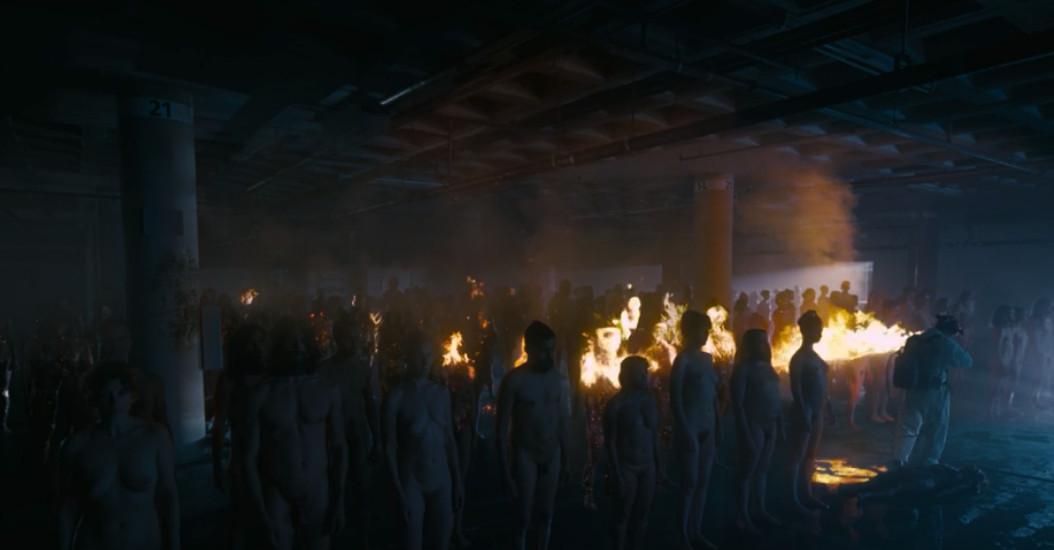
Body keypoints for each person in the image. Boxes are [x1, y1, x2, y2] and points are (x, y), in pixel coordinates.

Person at [240, 317, 347, 550]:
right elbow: (248, 458)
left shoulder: (327, 390)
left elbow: (339, 447)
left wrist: (339, 501)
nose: (298, 347)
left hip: (317, 487)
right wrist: (260, 514)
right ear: (280, 346)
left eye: (302, 341)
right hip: (277, 489)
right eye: (291, 341)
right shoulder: (261, 395)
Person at [57, 363, 180, 550]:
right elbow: (67, 508)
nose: (114, 401)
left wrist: (175, 544)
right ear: (95, 399)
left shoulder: (154, 436)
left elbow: (169, 495)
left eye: (121, 393)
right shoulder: (78, 445)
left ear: (132, 396)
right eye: (106, 395)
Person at [382, 330, 462, 550]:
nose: (425, 362)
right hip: (413, 481)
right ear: (409, 357)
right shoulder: (397, 397)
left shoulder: (442, 394)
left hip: (442, 479)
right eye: (420, 356)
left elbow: (449, 440)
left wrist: (457, 481)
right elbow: (389, 447)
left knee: (441, 543)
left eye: (428, 355)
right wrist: (398, 491)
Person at [495, 321, 568, 550]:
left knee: (546, 514)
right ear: (528, 349)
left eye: (551, 350)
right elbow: (501, 429)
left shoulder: (557, 379)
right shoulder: (515, 381)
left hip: (552, 454)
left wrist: (565, 458)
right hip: (525, 455)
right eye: (544, 350)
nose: (549, 356)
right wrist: (505, 472)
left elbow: (562, 421)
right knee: (523, 517)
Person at [320, 317, 379, 550]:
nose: (353, 342)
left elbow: (370, 404)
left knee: (362, 487)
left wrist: (377, 439)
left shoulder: (362, 368)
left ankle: (363, 539)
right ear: (337, 338)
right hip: (333, 437)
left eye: (355, 337)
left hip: (357, 435)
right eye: (348, 337)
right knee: (333, 487)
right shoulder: (324, 369)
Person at [211, 322, 268, 550]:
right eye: (251, 343)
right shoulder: (230, 381)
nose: (256, 347)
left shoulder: (270, 377)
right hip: (241, 458)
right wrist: (217, 464)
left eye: (260, 342)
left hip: (269, 455)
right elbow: (219, 424)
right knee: (240, 520)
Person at [669, 310, 720, 550]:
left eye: (708, 330)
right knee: (689, 484)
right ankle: (682, 535)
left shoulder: (708, 359)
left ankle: (695, 531)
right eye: (703, 329)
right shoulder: (683, 360)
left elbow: (712, 397)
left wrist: (718, 425)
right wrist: (684, 428)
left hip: (708, 427)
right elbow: (676, 397)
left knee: (703, 483)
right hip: (690, 427)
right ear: (689, 331)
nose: (706, 334)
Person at [892, 315, 972, 467]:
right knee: (936, 427)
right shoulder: (946, 343)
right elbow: (967, 361)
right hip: (936, 392)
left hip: (913, 389)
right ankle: (931, 461)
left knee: (908, 425)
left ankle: (900, 458)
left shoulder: (914, 340)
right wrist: (961, 345)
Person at [604, 356, 662, 550]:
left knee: (642, 516)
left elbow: (654, 435)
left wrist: (659, 466)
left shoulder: (650, 400)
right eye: (640, 374)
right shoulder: (616, 405)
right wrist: (617, 474)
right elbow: (610, 443)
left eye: (645, 373)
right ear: (628, 375)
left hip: (648, 466)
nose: (645, 377)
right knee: (622, 516)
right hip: (626, 467)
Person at [731, 329, 782, 535]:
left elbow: (776, 395)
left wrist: (780, 423)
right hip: (754, 424)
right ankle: (742, 517)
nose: (764, 345)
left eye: (765, 341)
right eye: (759, 342)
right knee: (747, 472)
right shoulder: (743, 370)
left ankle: (759, 510)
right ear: (750, 345)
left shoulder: (768, 367)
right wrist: (745, 432)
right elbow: (738, 404)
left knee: (762, 471)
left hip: (771, 423)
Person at [787, 311, 830, 516]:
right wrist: (804, 412)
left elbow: (822, 384)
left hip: (817, 411)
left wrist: (827, 405)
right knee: (797, 456)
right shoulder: (799, 358)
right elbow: (796, 388)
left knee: (811, 455)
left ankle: (807, 493)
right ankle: (792, 498)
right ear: (806, 331)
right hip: (806, 411)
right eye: (817, 329)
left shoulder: (814, 356)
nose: (820, 333)